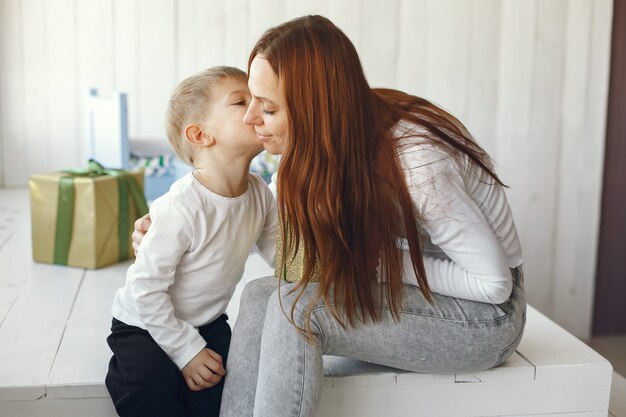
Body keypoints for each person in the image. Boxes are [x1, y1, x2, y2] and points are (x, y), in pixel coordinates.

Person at [133, 15, 525, 417]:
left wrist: (376, 263)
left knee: (298, 310)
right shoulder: (327, 139)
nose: (251, 118)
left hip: (486, 318)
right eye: (249, 100)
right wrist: (170, 232)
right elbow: (264, 223)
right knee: (260, 294)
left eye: (266, 108)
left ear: (313, 109)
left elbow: (493, 286)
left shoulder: (418, 163)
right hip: (422, 290)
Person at [105, 66, 277, 417]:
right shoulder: (181, 206)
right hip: (144, 324)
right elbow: (145, 290)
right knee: (147, 387)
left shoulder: (260, 193)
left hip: (207, 322)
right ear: (201, 135)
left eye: (258, 100)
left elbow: (285, 256)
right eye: (240, 101)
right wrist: (186, 350)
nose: (255, 110)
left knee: (225, 388)